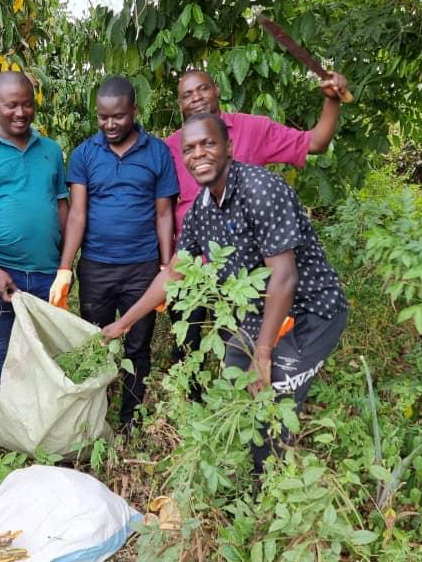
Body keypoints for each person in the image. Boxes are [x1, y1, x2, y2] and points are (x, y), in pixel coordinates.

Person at [102, 114, 348, 473]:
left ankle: (273, 491)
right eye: (190, 148)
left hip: (310, 314)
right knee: (236, 390)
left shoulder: (260, 190)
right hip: (255, 313)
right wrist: (124, 323)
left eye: (208, 144)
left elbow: (284, 278)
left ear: (229, 148)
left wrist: (263, 356)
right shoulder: (202, 207)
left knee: (272, 397)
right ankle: (250, 482)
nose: (199, 153)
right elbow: (176, 270)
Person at [165, 68, 349, 361]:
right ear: (180, 105)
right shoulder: (169, 148)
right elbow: (162, 209)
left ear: (217, 90)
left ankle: (260, 381)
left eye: (202, 89)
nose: (196, 98)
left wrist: (332, 101)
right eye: (187, 95)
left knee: (243, 346)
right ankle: (197, 399)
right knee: (187, 348)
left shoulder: (252, 129)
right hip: (193, 266)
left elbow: (314, 143)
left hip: (246, 271)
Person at [54, 76, 178, 428]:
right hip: (96, 267)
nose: (110, 124)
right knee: (95, 343)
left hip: (143, 268)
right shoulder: (84, 154)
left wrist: (166, 267)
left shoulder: (157, 153)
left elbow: (164, 213)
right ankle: (95, 418)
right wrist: (66, 267)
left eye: (118, 117)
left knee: (138, 346)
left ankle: (130, 419)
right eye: (103, 117)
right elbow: (77, 213)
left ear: (135, 111)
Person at [0, 71, 69, 407]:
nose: (20, 113)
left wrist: (64, 264)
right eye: (11, 105)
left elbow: (61, 205)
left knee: (45, 345)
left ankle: (38, 413)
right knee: (1, 344)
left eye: (27, 105)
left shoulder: (50, 149)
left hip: (48, 269)